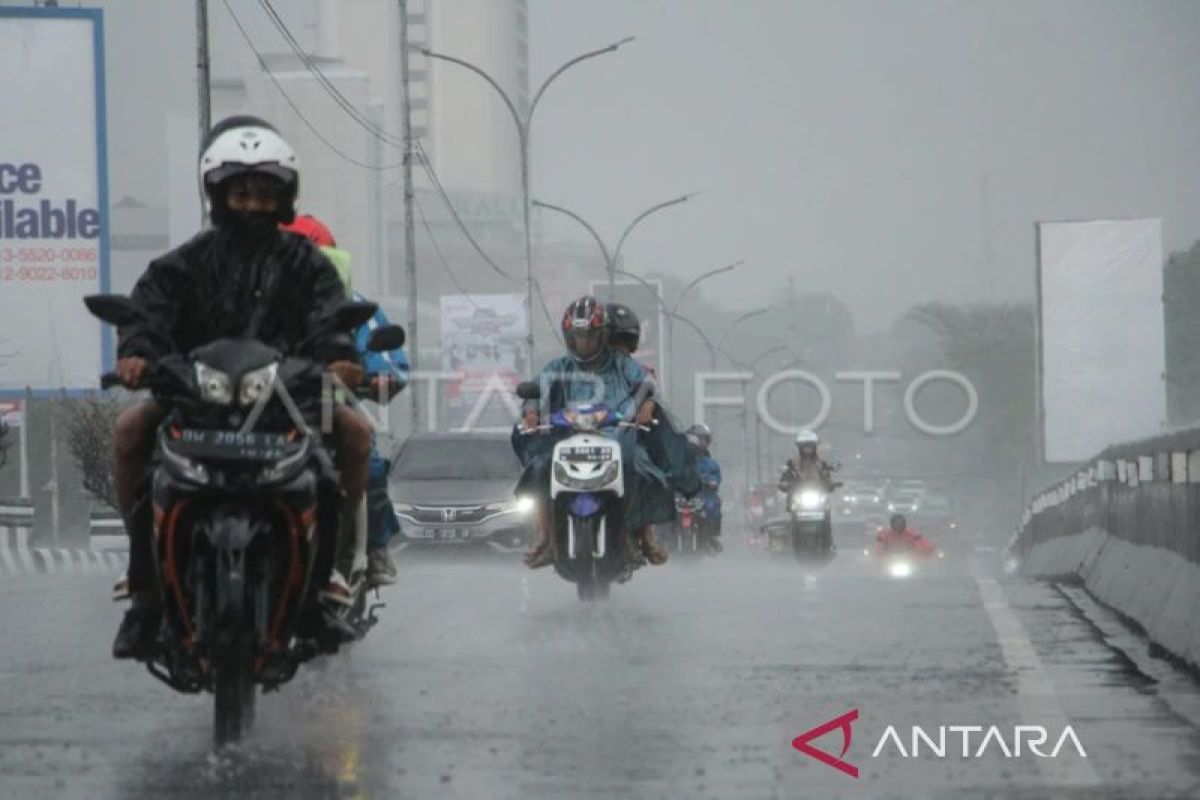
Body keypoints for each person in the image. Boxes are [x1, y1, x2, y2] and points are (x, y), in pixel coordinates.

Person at [110, 116, 372, 658]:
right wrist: (136, 353)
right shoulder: (183, 263)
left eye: (264, 193)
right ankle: (144, 585)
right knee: (129, 430)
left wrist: (341, 360)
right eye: (241, 192)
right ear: (218, 192)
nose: (252, 204)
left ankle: (327, 580)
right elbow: (147, 312)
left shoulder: (309, 266)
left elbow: (331, 322)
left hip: (286, 402)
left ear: (284, 197)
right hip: (193, 395)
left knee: (354, 434)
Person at [280, 214, 410, 587]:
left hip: (325, 408)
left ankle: (372, 550)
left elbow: (383, 356)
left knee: (366, 457)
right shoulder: (249, 301)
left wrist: (379, 376)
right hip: (259, 410)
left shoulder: (350, 304)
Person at [514, 296, 673, 568]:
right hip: (565, 438)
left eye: (589, 336)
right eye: (577, 336)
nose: (584, 342)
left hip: (616, 436)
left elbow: (646, 383)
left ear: (602, 335)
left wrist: (647, 403)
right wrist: (530, 410)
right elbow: (536, 389)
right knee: (539, 468)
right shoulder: (558, 367)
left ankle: (645, 535)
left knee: (642, 467)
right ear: (569, 337)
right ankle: (546, 537)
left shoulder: (621, 364)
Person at [685, 423, 723, 553]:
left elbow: (716, 478)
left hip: (703, 496)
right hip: (682, 495)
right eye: (697, 439)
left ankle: (710, 536)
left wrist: (711, 482)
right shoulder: (679, 459)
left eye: (703, 439)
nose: (700, 443)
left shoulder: (711, 464)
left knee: (714, 505)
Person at [777, 429, 840, 495]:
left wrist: (830, 484)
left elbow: (826, 477)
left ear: (814, 447)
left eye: (810, 446)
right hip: (797, 495)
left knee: (828, 503)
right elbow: (786, 476)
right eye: (805, 446)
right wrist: (785, 483)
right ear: (800, 447)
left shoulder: (821, 463)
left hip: (817, 495)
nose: (807, 449)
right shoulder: (792, 463)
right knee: (789, 500)